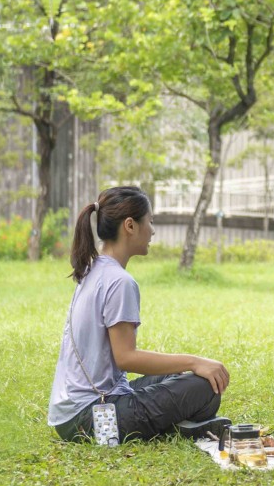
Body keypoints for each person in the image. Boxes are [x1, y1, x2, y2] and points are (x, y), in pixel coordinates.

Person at [48, 185, 231, 443]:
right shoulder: (119, 281)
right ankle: (179, 425)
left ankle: (179, 425)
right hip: (90, 420)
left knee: (184, 378)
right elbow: (126, 357)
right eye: (150, 222)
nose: (153, 231)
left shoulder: (92, 270)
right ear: (130, 226)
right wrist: (194, 360)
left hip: (69, 416)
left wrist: (191, 367)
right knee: (204, 389)